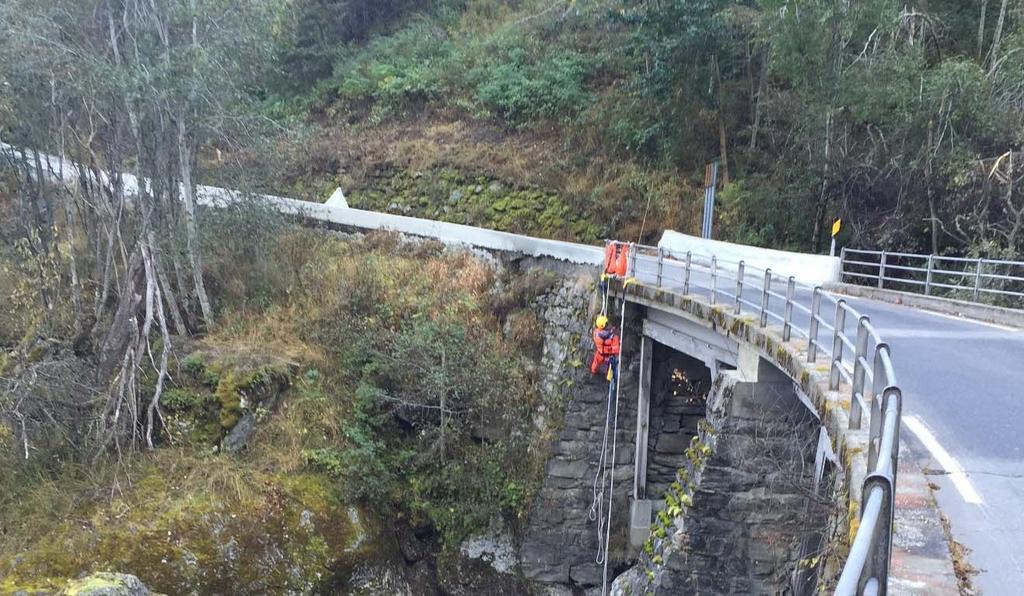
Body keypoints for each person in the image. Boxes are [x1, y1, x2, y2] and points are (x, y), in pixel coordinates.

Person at [590, 314, 620, 380]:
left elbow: (607, 332)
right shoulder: (605, 338)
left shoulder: (597, 333)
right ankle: (596, 374)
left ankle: (593, 372)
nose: (608, 324)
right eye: (606, 324)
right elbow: (615, 349)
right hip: (605, 354)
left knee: (595, 363)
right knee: (609, 367)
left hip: (600, 354)